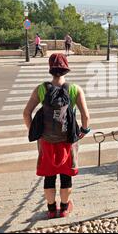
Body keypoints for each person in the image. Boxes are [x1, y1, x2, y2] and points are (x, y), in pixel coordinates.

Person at [23, 53, 91, 219]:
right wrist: (83, 131)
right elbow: (86, 116)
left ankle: (52, 209)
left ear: (51, 69)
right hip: (68, 141)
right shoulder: (75, 89)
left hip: (46, 141)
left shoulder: (41, 89)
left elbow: (26, 113)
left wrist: (36, 131)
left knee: (49, 175)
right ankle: (65, 208)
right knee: (66, 176)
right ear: (66, 69)